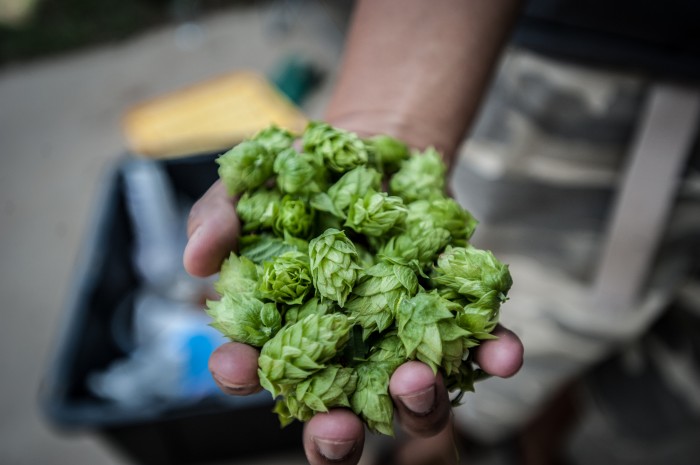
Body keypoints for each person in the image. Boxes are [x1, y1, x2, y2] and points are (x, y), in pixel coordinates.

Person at [185, 0, 700, 464]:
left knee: (591, 321)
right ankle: (480, 439)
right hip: (579, 59)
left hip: (657, 90)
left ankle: (501, 437)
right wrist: (382, 120)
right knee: (565, 325)